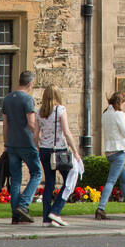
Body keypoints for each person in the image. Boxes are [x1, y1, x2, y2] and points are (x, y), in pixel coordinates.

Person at [2, 70, 42, 224]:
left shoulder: (7, 99)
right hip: (26, 143)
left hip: (12, 144)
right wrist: (39, 140)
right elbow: (32, 124)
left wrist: (5, 143)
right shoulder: (27, 99)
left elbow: (5, 124)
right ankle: (23, 205)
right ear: (30, 83)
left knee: (16, 179)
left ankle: (15, 215)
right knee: (36, 173)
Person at [37, 86, 80, 227]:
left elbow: (35, 135)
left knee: (49, 183)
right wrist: (75, 151)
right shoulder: (60, 110)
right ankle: (56, 211)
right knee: (71, 177)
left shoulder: (40, 112)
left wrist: (39, 148)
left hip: (44, 150)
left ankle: (46, 218)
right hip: (59, 151)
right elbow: (66, 132)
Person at [95, 92, 125, 221]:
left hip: (109, 151)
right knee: (111, 181)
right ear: (119, 103)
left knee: (124, 180)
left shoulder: (105, 114)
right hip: (119, 151)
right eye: (124, 103)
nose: (124, 106)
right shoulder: (119, 114)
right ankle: (101, 208)